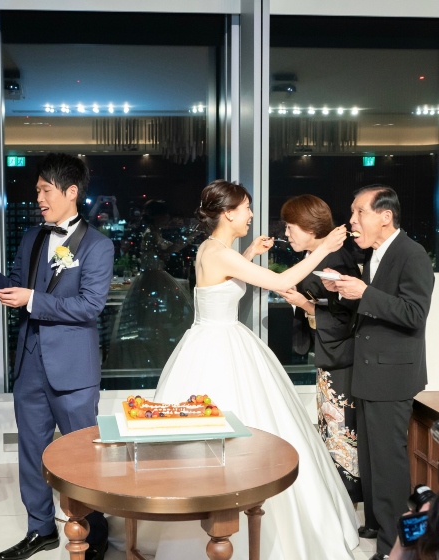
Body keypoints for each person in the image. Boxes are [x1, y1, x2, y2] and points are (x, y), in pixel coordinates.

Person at [109, 180, 358, 559]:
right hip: (218, 345)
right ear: (228, 213)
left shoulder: (216, 249)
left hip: (216, 339)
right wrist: (323, 248)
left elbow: (225, 278)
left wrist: (250, 253)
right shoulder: (216, 252)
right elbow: (280, 282)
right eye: (246, 208)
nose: (251, 215)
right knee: (232, 436)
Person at [0, 153, 114, 560]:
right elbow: (19, 286)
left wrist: (32, 299)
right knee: (31, 452)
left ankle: (96, 530)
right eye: (37, 191)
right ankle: (41, 529)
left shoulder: (98, 245)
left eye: (46, 191)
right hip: (30, 363)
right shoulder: (32, 237)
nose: (39, 199)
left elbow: (90, 306)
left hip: (74, 368)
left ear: (71, 191)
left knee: (83, 455)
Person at [323, 185, 435, 560]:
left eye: (359, 212)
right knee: (371, 465)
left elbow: (414, 314)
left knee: (389, 470)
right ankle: (377, 529)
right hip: (370, 374)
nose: (352, 220)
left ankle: (397, 550)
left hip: (391, 377)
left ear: (385, 216)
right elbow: (374, 312)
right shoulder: (375, 255)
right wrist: (343, 291)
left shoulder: (412, 254)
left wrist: (364, 292)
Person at [276, 194, 362, 504]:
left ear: (310, 228)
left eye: (291, 227)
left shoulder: (336, 260)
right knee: (331, 425)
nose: (287, 234)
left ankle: (347, 495)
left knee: (341, 427)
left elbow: (346, 317)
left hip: (342, 357)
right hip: (329, 353)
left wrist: (304, 304)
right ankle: (338, 493)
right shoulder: (317, 256)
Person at [104, 199, 199, 370]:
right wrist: (187, 237)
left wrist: (186, 238)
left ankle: (158, 357)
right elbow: (165, 251)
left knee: (155, 321)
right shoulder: (151, 234)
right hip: (152, 279)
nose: (168, 218)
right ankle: (155, 359)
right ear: (158, 216)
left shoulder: (153, 233)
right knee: (153, 322)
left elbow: (167, 250)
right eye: (165, 215)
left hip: (153, 277)